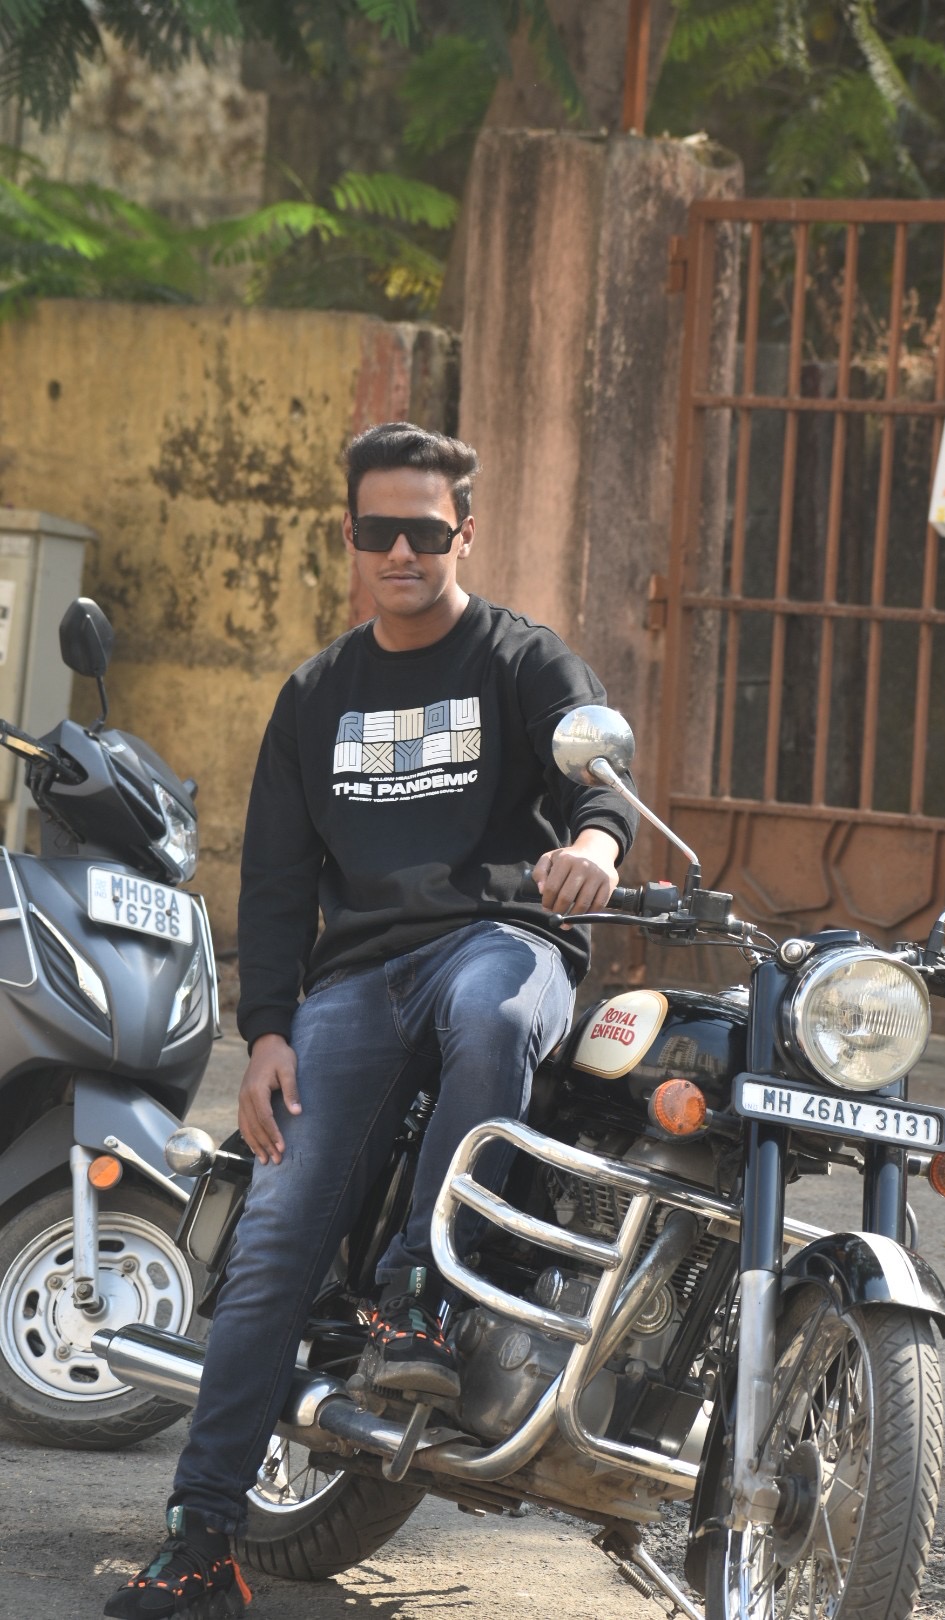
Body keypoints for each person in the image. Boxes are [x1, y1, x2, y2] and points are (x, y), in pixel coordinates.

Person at [104, 422, 637, 1618]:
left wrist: (599, 846)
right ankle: (201, 1537)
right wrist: (267, 1033)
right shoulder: (316, 696)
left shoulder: (524, 661)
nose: (402, 552)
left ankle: (426, 1295)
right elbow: (276, 885)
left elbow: (598, 785)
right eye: (380, 530)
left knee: (493, 1011)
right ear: (349, 534)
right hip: (358, 980)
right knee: (278, 1235)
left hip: (501, 941)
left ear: (465, 533)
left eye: (425, 531)